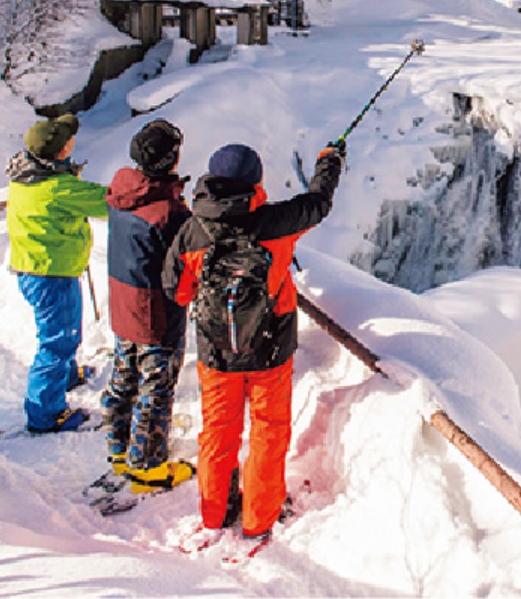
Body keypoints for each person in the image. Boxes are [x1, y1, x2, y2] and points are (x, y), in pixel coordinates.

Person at [163, 140, 343, 550]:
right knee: (268, 431)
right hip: (269, 349)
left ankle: (214, 515)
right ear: (255, 182)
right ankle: (258, 519)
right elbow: (318, 203)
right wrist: (329, 162)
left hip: (216, 353)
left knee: (218, 432)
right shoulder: (276, 222)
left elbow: (176, 290)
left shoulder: (192, 230)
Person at [101, 119, 195, 493]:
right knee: (157, 386)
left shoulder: (122, 192)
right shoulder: (168, 213)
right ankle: (148, 467)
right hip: (156, 312)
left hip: (123, 302)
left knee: (125, 375)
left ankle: (119, 448)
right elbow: (190, 257)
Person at [6, 113, 107, 434]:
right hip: (52, 275)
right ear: (63, 150)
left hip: (34, 267)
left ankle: (66, 376)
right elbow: (108, 202)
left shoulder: (26, 175)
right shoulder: (58, 188)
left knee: (63, 331)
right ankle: (45, 415)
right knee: (57, 342)